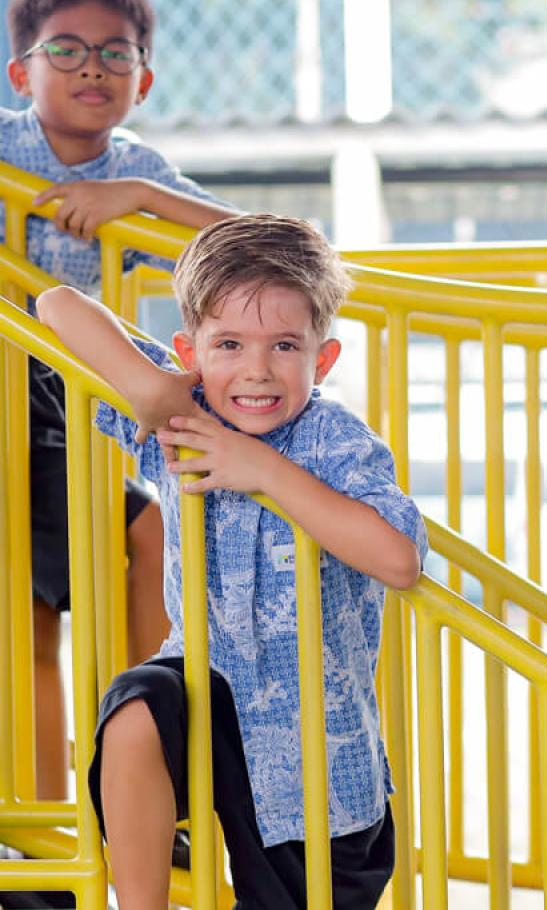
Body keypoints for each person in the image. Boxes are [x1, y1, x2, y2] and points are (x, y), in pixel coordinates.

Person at [36, 214, 428, 910]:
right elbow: (57, 305)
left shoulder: (337, 441)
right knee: (132, 715)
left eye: (284, 345)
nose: (255, 370)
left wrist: (263, 469)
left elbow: (399, 561)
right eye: (228, 344)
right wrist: (146, 383)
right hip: (206, 689)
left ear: (323, 359)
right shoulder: (183, 411)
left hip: (315, 751)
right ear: (192, 350)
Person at [5, 0, 239, 803]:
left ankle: (140, 784)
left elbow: (252, 239)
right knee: (37, 608)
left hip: (74, 401)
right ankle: (68, 818)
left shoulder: (131, 165)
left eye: (116, 51)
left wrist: (140, 198)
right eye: (64, 49)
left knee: (145, 535)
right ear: (19, 72)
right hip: (20, 388)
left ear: (143, 78)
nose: (91, 67)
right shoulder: (5, 146)